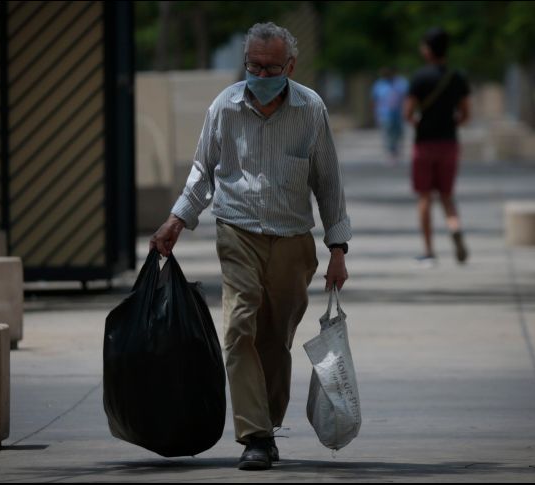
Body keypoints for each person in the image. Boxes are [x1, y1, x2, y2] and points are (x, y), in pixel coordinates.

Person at [149, 22, 351, 471]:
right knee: (239, 328)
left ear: (290, 66)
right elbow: (203, 170)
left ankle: (268, 423)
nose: (260, 75)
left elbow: (328, 182)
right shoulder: (225, 106)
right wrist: (177, 219)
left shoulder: (310, 109)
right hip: (237, 230)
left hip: (293, 239)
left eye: (270, 67)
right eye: (252, 66)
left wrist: (338, 247)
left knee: (274, 339)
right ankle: (255, 435)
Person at [403, 27, 470, 267]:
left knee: (424, 197)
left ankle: (429, 251)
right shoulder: (457, 77)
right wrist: (452, 124)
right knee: (447, 196)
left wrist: (419, 123)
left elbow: (408, 112)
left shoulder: (420, 78)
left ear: (428, 49)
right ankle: (455, 227)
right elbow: (465, 114)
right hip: (449, 143)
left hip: (425, 144)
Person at [371, 67, 408, 165]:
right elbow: (375, 100)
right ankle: (390, 152)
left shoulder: (401, 83)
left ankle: (396, 150)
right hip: (384, 113)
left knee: (398, 132)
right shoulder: (379, 84)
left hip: (398, 113)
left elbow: (406, 98)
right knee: (388, 133)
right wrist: (375, 114)